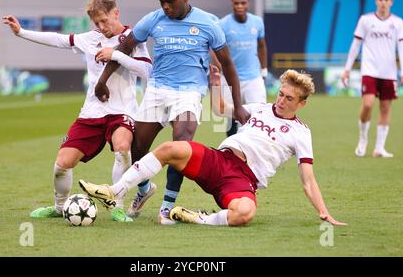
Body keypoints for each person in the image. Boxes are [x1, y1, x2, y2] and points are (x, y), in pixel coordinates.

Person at [78, 68, 346, 227]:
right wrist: (216, 84)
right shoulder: (260, 109)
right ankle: (115, 191)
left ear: (301, 103)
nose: (282, 101)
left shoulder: (301, 133)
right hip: (219, 160)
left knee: (245, 213)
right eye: (281, 94)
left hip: (242, 181)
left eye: (289, 98)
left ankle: (199, 219)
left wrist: (324, 211)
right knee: (172, 147)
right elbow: (220, 109)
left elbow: (308, 180)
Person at [94, 0, 250, 225]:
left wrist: (238, 105)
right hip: (157, 90)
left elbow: (229, 66)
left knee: (181, 145)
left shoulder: (208, 24)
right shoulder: (153, 20)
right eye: (161, 1)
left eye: (171, 1)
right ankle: (143, 190)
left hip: (189, 93)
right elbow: (124, 47)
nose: (166, 6)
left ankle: (166, 208)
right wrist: (103, 80)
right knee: (137, 148)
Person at [3, 0, 152, 222]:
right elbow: (59, 39)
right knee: (62, 163)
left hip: (122, 111)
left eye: (105, 20)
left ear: (116, 13)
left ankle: (117, 206)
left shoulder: (133, 38)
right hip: (91, 113)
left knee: (122, 147)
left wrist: (117, 55)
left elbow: (146, 71)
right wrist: (21, 32)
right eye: (97, 22)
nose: (101, 26)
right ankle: (60, 207)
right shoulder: (90, 38)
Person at [342, 0, 403, 158]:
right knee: (368, 104)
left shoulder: (398, 22)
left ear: (391, 2)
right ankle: (363, 139)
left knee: (385, 108)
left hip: (389, 72)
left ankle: (379, 148)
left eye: (386, 0)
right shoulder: (366, 20)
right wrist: (347, 68)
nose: (383, 2)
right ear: (376, 1)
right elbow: (355, 45)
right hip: (369, 69)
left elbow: (401, 47)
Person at [212, 0, 268, 137]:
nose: (239, 6)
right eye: (236, 3)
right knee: (230, 116)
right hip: (230, 78)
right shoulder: (222, 24)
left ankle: (256, 146)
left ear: (248, 4)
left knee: (260, 113)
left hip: (253, 79)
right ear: (232, 4)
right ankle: (231, 151)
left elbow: (262, 45)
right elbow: (213, 48)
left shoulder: (257, 22)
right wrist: (220, 67)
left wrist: (264, 70)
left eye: (243, 3)